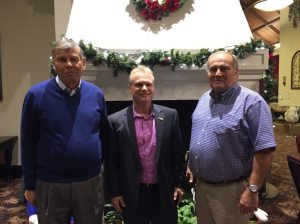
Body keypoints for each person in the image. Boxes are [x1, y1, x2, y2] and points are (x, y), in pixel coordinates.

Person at [21, 38, 108, 224]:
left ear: (83, 63)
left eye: (73, 59)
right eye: (62, 59)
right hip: (50, 184)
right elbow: (28, 142)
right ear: (54, 64)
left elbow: (104, 136)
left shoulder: (96, 95)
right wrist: (29, 184)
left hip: (90, 182)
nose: (69, 64)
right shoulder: (35, 95)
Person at [186, 51, 276, 224]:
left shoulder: (252, 103)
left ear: (236, 72)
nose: (218, 73)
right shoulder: (204, 99)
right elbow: (200, 134)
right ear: (208, 73)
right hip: (202, 189)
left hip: (232, 192)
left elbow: (264, 152)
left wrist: (253, 190)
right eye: (213, 69)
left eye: (224, 68)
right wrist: (192, 163)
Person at [107, 65, 186, 224]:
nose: (144, 88)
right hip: (133, 194)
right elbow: (111, 162)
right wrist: (115, 193)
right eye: (139, 84)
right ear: (130, 88)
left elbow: (178, 155)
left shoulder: (171, 116)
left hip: (164, 191)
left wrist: (180, 184)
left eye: (148, 84)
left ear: (153, 87)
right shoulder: (114, 121)